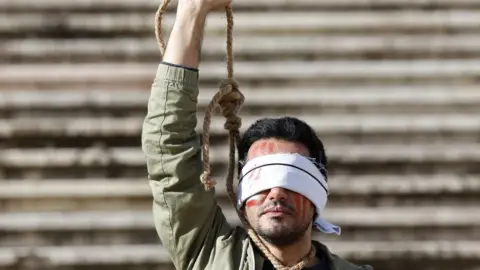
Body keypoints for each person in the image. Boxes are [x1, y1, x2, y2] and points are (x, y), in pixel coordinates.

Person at [141, 0, 373, 269]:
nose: (276, 193)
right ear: (241, 193)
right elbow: (169, 146)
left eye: (293, 178)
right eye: (260, 178)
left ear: (318, 194)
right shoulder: (210, 255)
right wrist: (192, 11)